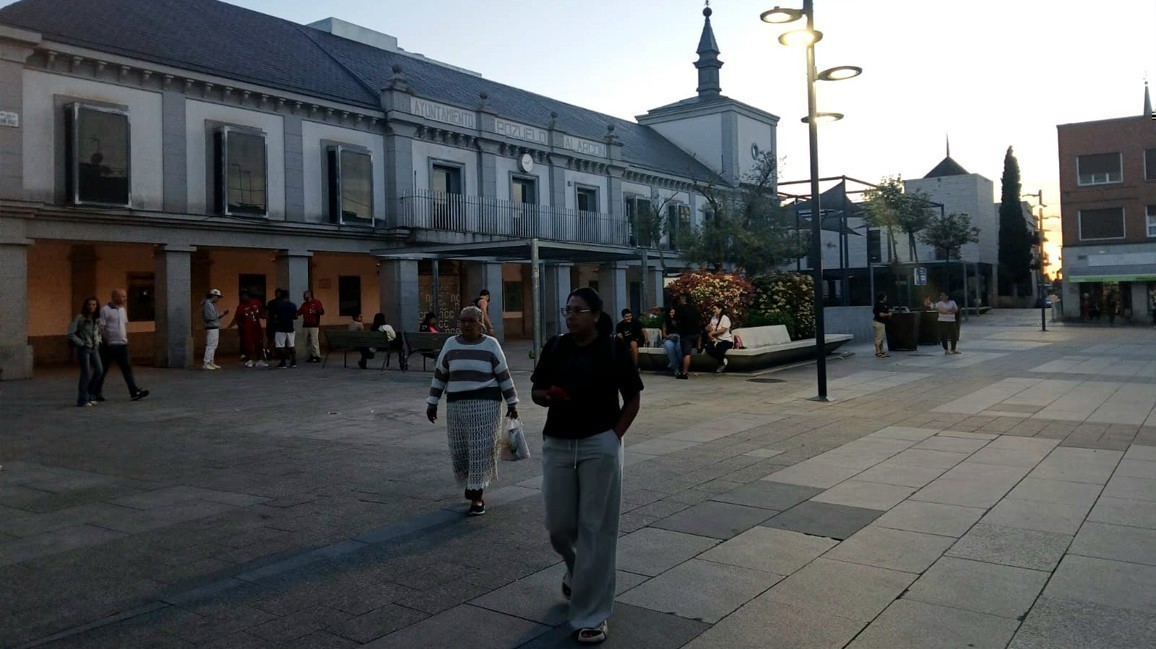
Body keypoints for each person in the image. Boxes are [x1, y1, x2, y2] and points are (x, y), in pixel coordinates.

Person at [531, 287, 642, 645]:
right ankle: (578, 573)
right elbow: (537, 390)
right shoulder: (556, 347)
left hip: (599, 443)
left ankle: (592, 614)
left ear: (595, 315)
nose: (570, 315)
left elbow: (633, 397)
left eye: (578, 310)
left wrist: (614, 437)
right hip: (558, 444)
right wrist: (547, 396)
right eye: (567, 310)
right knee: (559, 527)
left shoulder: (614, 349)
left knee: (597, 529)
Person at [426, 305, 519, 516]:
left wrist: (512, 403)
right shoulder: (453, 345)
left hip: (485, 404)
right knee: (460, 450)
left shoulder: (490, 345)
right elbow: (441, 373)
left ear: (481, 324)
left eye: (471, 321)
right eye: (463, 321)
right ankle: (471, 484)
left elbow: (504, 375)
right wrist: (432, 401)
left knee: (480, 449)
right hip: (457, 404)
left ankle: (477, 495)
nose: (466, 325)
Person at [94, 288, 149, 401]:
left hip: (122, 344)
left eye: (125, 296)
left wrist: (125, 338)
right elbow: (101, 327)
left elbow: (123, 325)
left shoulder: (122, 310)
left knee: (127, 369)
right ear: (114, 297)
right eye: (122, 296)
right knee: (103, 369)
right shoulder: (105, 310)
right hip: (109, 345)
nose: (125, 298)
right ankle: (96, 392)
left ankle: (134, 392)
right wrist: (106, 341)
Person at [67, 296, 103, 407]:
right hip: (84, 349)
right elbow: (70, 333)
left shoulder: (97, 318)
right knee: (86, 373)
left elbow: (98, 332)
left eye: (94, 305)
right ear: (85, 306)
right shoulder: (80, 318)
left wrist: (99, 340)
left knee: (99, 370)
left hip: (94, 348)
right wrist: (81, 343)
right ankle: (82, 399)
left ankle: (89, 395)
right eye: (89, 304)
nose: (91, 307)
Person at [229, 290, 266, 368]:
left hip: (257, 327)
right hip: (247, 329)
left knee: (259, 343)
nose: (243, 297)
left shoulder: (256, 302)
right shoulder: (240, 307)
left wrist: (265, 316)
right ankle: (249, 360)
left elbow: (262, 312)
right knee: (248, 345)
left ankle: (260, 360)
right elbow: (237, 318)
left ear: (248, 295)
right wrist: (240, 326)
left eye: (244, 295)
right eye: (242, 296)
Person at [673, 294, 702, 380]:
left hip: (686, 334)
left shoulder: (680, 309)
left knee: (686, 354)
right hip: (696, 333)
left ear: (682, 299)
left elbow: (674, 321)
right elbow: (699, 320)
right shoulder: (695, 308)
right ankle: (699, 345)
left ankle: (684, 372)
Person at [200, 289, 229, 370]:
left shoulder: (211, 304)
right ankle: (206, 362)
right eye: (217, 297)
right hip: (211, 327)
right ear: (213, 296)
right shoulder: (208, 304)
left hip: (214, 327)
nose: (218, 299)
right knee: (210, 345)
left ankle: (211, 361)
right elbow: (209, 317)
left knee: (213, 345)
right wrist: (219, 314)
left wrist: (221, 314)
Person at [270, 289, 299, 368]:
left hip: (280, 328)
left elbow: (274, 316)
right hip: (290, 327)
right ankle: (293, 362)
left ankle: (283, 362)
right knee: (291, 345)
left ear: (280, 296)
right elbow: (296, 317)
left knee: (280, 346)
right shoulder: (293, 305)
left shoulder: (277, 305)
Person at [297, 290, 325, 363]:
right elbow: (299, 312)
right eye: (304, 295)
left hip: (314, 325)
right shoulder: (304, 305)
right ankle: (311, 355)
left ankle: (317, 356)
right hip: (305, 325)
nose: (304, 296)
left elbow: (322, 312)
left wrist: (316, 312)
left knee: (314, 341)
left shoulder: (316, 302)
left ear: (310, 295)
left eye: (305, 295)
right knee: (306, 342)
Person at [704, 304, 733, 373]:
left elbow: (723, 330)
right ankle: (722, 360)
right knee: (708, 349)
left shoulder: (725, 318)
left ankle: (721, 362)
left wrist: (713, 333)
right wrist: (708, 328)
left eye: (715, 309)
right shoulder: (713, 318)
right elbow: (711, 327)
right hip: (715, 340)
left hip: (725, 340)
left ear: (720, 309)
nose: (714, 310)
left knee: (719, 350)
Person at [935, 291, 960, 355]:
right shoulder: (939, 303)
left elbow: (956, 309)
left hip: (951, 320)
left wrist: (948, 311)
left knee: (954, 335)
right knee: (944, 335)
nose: (942, 297)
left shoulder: (952, 302)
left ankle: (953, 349)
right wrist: (948, 311)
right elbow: (939, 310)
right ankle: (946, 350)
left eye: (944, 295)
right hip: (942, 321)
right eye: (941, 296)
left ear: (947, 296)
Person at [660, 306, 680, 376]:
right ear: (668, 313)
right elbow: (664, 334)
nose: (673, 314)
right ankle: (676, 368)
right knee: (669, 346)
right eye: (671, 312)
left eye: (674, 312)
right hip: (669, 338)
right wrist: (669, 336)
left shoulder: (679, 321)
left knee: (679, 347)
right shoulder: (665, 321)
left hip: (678, 338)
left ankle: (673, 363)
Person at [873, 293, 891, 358]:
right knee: (879, 338)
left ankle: (881, 351)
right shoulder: (878, 305)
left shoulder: (884, 305)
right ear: (882, 298)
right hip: (879, 323)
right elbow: (880, 314)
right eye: (885, 297)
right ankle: (878, 352)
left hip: (882, 323)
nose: (886, 298)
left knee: (881, 338)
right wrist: (888, 314)